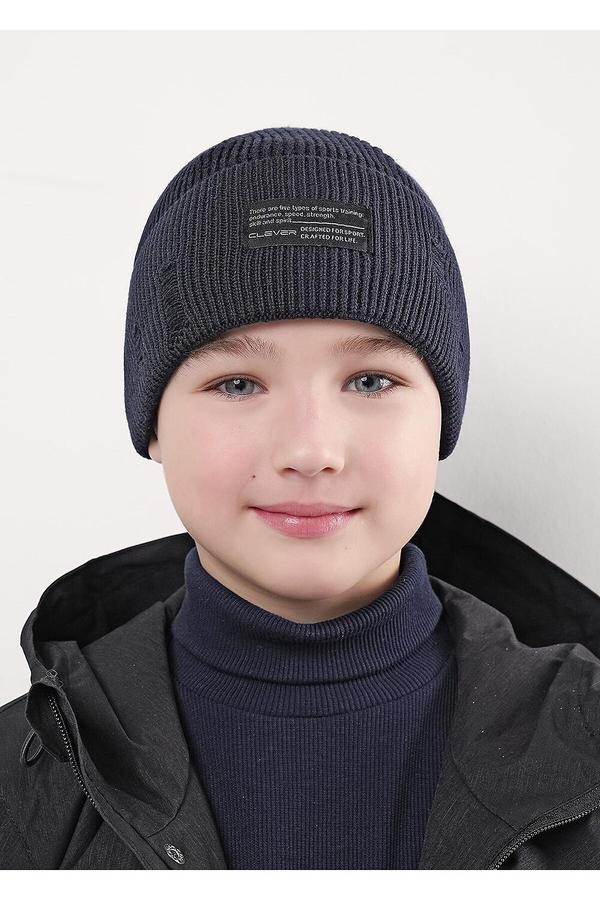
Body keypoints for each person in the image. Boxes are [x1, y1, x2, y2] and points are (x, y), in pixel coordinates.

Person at [1, 126, 599, 871]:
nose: (311, 450)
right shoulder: (22, 783)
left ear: (442, 420)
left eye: (371, 381)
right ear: (153, 425)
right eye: (238, 384)